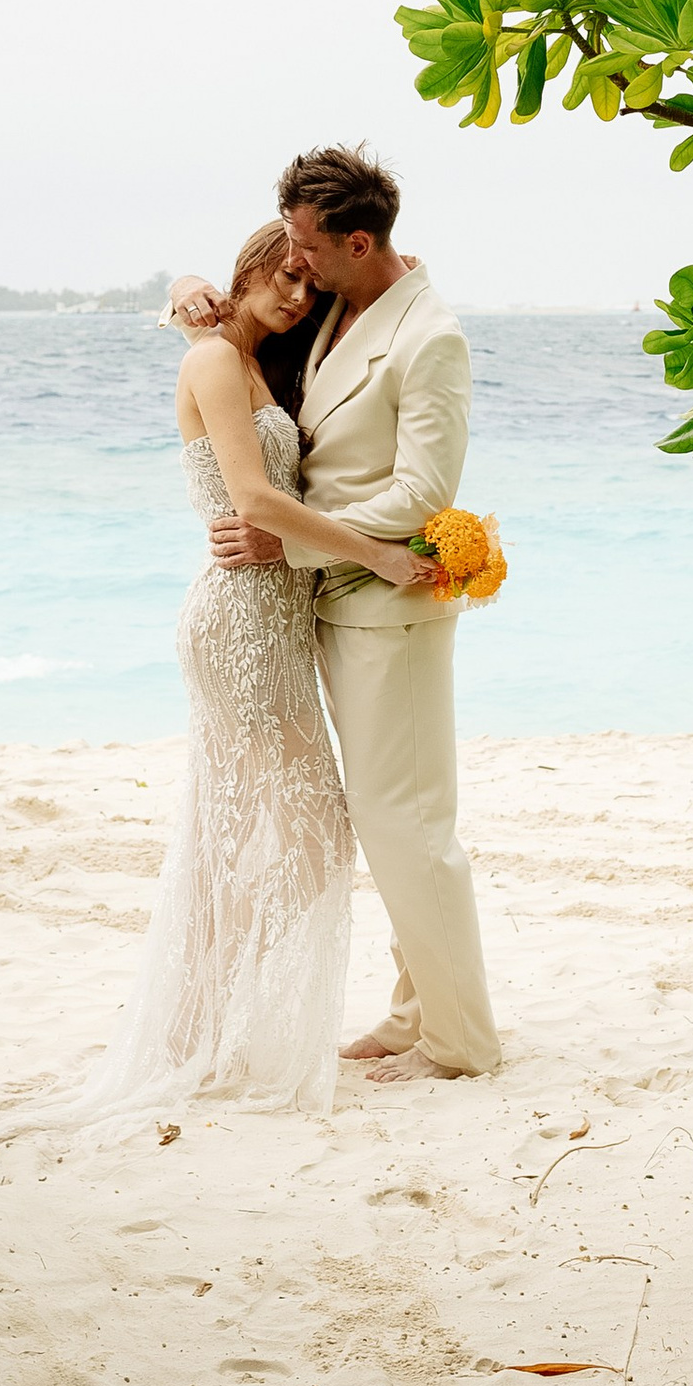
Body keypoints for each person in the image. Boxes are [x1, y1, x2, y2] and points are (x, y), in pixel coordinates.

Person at [8, 219, 433, 1132]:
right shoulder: (211, 361)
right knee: (303, 837)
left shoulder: (258, 362)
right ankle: (198, 1025)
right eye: (282, 278)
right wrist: (386, 557)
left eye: (307, 288)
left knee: (251, 840)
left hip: (272, 619)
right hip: (239, 623)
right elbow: (252, 500)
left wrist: (188, 282)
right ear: (246, 271)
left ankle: (197, 1022)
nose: (296, 296)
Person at [175, 145, 502, 1081]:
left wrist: (298, 543)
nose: (296, 264)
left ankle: (462, 1037)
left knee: (405, 823)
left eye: (305, 247)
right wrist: (192, 284)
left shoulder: (428, 336)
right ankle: (414, 1009)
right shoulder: (334, 308)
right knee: (385, 814)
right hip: (318, 605)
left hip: (386, 606)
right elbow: (225, 353)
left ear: (358, 241)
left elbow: (423, 490)